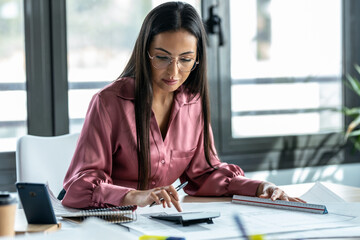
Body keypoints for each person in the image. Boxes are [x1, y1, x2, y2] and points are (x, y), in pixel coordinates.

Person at [61, 1, 304, 212]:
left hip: (161, 221)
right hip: (110, 223)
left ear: (197, 59)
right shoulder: (108, 103)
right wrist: (134, 196)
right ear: (145, 52)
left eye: (185, 59)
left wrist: (261, 187)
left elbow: (204, 174)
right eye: (163, 57)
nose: (174, 71)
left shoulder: (193, 103)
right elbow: (78, 187)